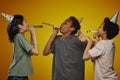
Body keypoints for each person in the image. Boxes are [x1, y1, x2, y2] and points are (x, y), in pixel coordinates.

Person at [2, 13, 39, 80]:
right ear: (20, 26)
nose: (27, 24)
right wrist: (34, 34)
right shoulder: (19, 37)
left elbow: (31, 53)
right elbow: (36, 52)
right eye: (25, 22)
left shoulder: (19, 37)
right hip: (18, 76)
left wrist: (31, 34)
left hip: (19, 75)